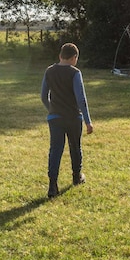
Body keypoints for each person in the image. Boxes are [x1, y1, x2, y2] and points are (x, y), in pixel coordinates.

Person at [40, 42, 94, 198]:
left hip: (55, 117)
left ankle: (52, 186)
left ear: (60, 56)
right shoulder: (75, 73)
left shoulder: (49, 71)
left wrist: (51, 109)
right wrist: (88, 121)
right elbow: (81, 99)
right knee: (75, 147)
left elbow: (43, 96)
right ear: (74, 58)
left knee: (55, 149)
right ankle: (77, 177)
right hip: (73, 117)